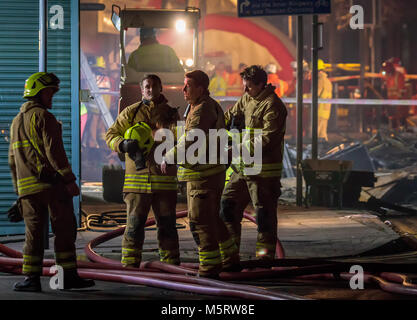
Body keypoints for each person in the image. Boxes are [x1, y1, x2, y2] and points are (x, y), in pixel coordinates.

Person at [8, 72, 95, 292]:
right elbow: (55, 153)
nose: (52, 97)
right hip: (52, 186)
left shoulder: (16, 122)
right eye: (50, 92)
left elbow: (12, 162)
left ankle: (31, 280)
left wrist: (19, 194)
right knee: (64, 230)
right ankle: (66, 278)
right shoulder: (45, 117)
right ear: (39, 92)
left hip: (28, 190)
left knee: (33, 234)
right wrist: (69, 180)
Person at [161, 70, 240, 278]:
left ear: (201, 89)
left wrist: (169, 156)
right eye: (183, 85)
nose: (183, 89)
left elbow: (191, 138)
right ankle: (230, 258)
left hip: (202, 176)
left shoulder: (203, 109)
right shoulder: (197, 106)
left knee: (200, 221)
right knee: (212, 218)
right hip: (205, 173)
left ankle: (209, 268)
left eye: (188, 85)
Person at [105, 74, 180, 268]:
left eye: (154, 86)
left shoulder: (171, 113)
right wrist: (122, 144)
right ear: (141, 89)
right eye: (147, 86)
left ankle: (170, 265)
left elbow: (181, 140)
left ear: (160, 88)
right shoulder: (131, 112)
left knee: (167, 225)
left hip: (164, 181)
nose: (150, 89)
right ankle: (130, 265)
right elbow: (111, 134)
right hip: (137, 182)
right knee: (134, 225)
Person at [220, 65, 287, 260]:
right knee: (227, 206)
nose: (245, 90)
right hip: (243, 170)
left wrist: (237, 148)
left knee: (264, 217)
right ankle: (230, 256)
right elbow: (231, 115)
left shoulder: (273, 106)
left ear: (260, 84)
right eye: (244, 86)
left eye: (248, 87)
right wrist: (213, 125)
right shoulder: (248, 99)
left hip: (264, 174)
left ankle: (264, 260)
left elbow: (267, 138)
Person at [317, 59, 333, 142]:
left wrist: (303, 96)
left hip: (320, 109)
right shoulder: (327, 81)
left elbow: (316, 94)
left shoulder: (320, 80)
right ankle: (324, 145)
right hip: (326, 109)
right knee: (323, 130)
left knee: (318, 131)